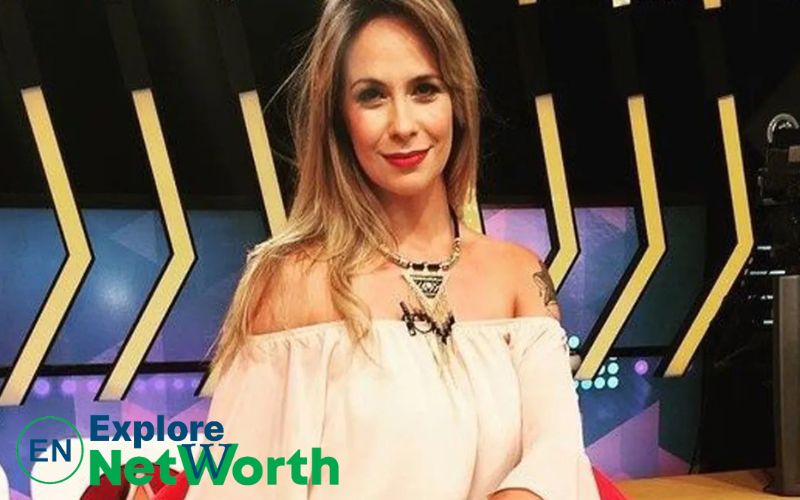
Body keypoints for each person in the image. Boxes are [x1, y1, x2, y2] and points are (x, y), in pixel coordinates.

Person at [187, 0, 600, 498]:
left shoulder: (519, 277)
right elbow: (242, 482)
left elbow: (557, 455)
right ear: (338, 118)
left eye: (425, 89)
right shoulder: (291, 281)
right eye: (372, 96)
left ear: (458, 102)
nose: (403, 124)